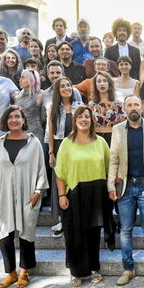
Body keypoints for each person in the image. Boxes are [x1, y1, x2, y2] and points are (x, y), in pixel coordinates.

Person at [0, 105, 48, 288]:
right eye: (10, 117)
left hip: (27, 194)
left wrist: (38, 191)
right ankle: (11, 273)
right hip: (3, 195)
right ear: (6, 121)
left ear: (23, 120)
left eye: (17, 117)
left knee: (26, 233)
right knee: (4, 233)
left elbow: (41, 168)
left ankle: (24, 272)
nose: (14, 120)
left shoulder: (33, 142)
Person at [107, 95, 144, 286]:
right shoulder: (117, 130)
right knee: (125, 230)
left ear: (141, 108)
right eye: (129, 105)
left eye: (136, 105)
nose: (133, 108)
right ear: (124, 109)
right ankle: (128, 269)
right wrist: (110, 186)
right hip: (124, 186)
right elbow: (113, 159)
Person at [55, 105, 114, 286]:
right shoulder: (67, 143)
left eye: (87, 117)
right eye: (80, 117)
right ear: (75, 120)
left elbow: (109, 168)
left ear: (92, 120)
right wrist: (61, 195)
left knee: (93, 233)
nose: (83, 120)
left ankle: (94, 268)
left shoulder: (100, 142)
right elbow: (60, 172)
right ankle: (77, 272)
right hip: (74, 193)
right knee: (74, 234)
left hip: (97, 193)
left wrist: (111, 190)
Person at [47, 76, 82, 237]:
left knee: (76, 182)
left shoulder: (79, 106)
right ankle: (61, 220)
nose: (67, 88)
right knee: (60, 183)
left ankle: (77, 218)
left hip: (76, 148)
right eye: (63, 86)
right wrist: (51, 153)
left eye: (68, 85)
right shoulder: (53, 108)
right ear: (58, 90)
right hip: (60, 148)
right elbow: (51, 133)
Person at [89, 71, 125, 145]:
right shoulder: (91, 105)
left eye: (105, 81)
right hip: (96, 139)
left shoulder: (118, 104)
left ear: (109, 84)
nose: (102, 83)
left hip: (114, 139)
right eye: (99, 81)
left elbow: (123, 125)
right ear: (95, 85)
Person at [12, 70, 45, 142]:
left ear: (31, 80)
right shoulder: (18, 96)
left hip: (35, 136)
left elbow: (44, 118)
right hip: (19, 134)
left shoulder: (40, 96)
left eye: (23, 77)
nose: (20, 80)